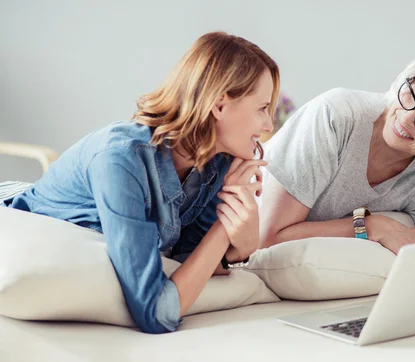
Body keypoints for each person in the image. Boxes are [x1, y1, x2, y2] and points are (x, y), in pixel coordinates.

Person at [2, 32, 280, 334]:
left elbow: (190, 262)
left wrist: (241, 247)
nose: (269, 125)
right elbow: (155, 313)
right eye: (262, 108)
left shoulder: (216, 164)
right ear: (219, 104)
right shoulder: (121, 159)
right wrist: (224, 229)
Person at [259, 54, 415, 254]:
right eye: (412, 93)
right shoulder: (336, 116)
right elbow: (267, 238)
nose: (405, 116)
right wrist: (369, 226)